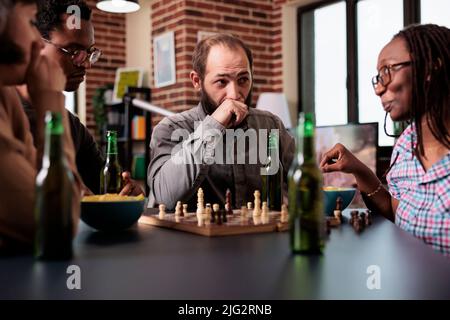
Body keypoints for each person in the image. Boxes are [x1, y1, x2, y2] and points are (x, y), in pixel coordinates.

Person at [320, 24, 450, 255]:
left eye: (388, 70)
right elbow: (395, 210)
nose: (378, 89)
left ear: (431, 67)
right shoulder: (405, 144)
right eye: (378, 77)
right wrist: (359, 169)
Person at [147, 34, 295, 210]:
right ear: (197, 81)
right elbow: (166, 197)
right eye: (221, 81)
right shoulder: (171, 129)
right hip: (196, 238)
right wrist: (214, 125)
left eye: (243, 80)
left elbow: (303, 184)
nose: (234, 94)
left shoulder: (271, 125)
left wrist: (329, 169)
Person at [16, 0, 143, 196]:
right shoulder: (6, 115)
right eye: (74, 51)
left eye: (89, 53)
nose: (85, 65)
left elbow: (105, 188)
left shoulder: (72, 125)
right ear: (36, 44)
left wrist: (127, 190)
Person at [0, 0, 81, 250]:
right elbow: (57, 221)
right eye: (32, 21)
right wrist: (50, 97)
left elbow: (44, 185)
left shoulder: (5, 96)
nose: (38, 41)